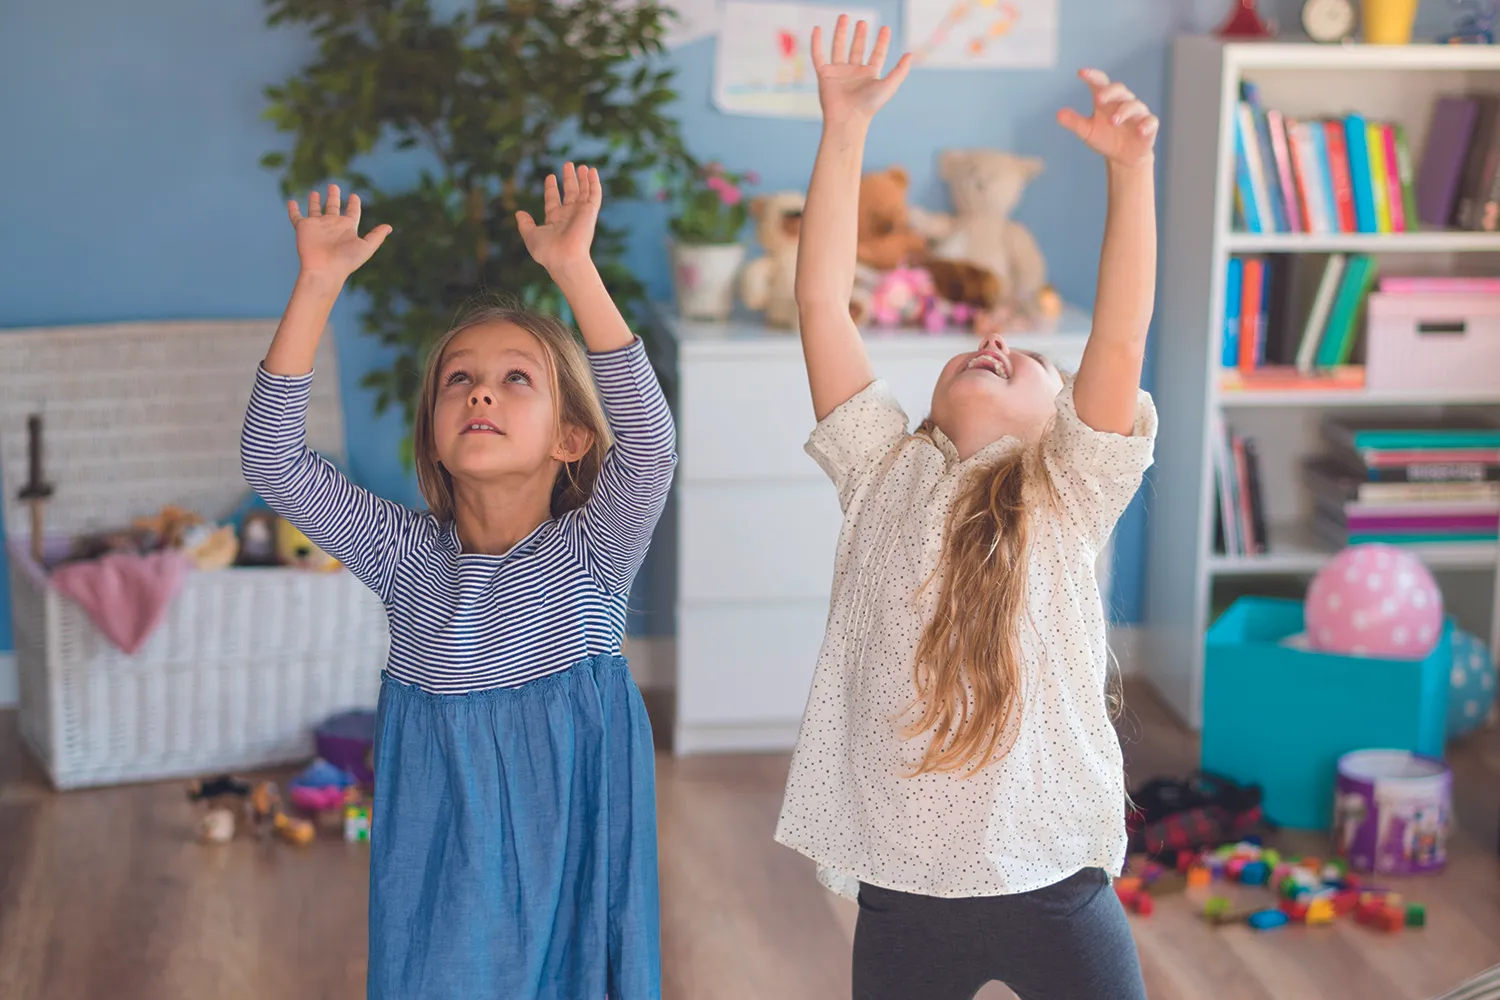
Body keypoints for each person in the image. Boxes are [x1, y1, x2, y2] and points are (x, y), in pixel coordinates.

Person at [773, 17, 1160, 1000]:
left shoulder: (1066, 483)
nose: (994, 340)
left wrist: (1131, 173)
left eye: (1025, 358)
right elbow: (823, 303)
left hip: (1055, 882)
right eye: (979, 349)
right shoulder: (881, 468)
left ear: (1062, 418)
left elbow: (1117, 343)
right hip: (903, 890)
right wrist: (844, 129)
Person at [241, 165, 674, 1000]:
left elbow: (651, 447)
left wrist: (574, 270)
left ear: (573, 440)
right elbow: (275, 460)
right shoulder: (406, 556)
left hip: (572, 857)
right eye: (458, 379)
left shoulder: (593, 552)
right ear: (435, 439)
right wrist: (317, 285)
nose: (481, 388)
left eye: (518, 378)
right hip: (446, 860)